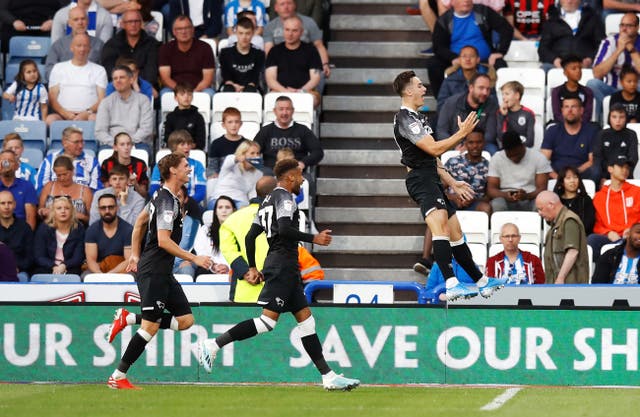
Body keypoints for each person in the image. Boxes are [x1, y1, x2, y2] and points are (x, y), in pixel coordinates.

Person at [197, 159, 360, 391]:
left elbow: (250, 236)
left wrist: (253, 266)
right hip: (283, 265)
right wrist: (314, 238)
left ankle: (328, 376)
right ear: (290, 177)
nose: (303, 180)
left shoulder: (265, 203)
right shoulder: (284, 197)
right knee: (266, 322)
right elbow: (284, 229)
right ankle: (213, 344)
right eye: (300, 175)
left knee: (307, 321)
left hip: (285, 268)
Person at [392, 70, 507, 301]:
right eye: (419, 85)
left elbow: (432, 158)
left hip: (431, 177)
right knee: (441, 229)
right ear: (408, 91)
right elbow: (435, 149)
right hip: (420, 180)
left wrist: (453, 182)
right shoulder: (405, 118)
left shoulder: (420, 118)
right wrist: (462, 133)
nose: (425, 89)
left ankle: (482, 282)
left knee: (456, 233)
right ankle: (452, 283)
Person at [105, 152, 214, 390]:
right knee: (151, 326)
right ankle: (118, 375)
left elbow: (140, 223)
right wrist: (195, 257)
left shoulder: (163, 197)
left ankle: (129, 317)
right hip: (154, 270)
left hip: (163, 272)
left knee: (186, 320)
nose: (189, 169)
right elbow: (164, 241)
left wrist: (135, 254)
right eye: (185, 165)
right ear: (173, 170)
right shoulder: (165, 200)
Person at [427, 0, 513, 97]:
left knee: (500, 64)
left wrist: (500, 52)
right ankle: (442, 102)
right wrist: (453, 58)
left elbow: (506, 28)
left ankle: (501, 103)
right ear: (452, 2)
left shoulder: (483, 12)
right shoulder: (444, 20)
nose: (466, 1)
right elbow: (438, 46)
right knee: (433, 64)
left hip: (484, 60)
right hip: (458, 60)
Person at [219, 176, 276, 302]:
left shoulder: (232, 219)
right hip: (275, 290)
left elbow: (228, 251)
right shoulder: (281, 218)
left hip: (243, 292)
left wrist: (246, 273)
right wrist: (263, 274)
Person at [46, 33, 108, 125]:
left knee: (96, 120)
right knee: (50, 120)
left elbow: (102, 99)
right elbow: (52, 98)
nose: (82, 49)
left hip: (89, 115)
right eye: (78, 45)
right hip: (63, 115)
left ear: (89, 49)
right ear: (72, 48)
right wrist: (66, 114)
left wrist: (87, 113)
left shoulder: (99, 70)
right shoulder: (58, 68)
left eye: (85, 46)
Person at [263, 0, 331, 81]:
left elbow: (319, 46)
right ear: (276, 8)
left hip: (306, 63)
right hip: (281, 66)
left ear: (295, 5)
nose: (286, 7)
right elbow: (269, 50)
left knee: (319, 73)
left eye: (289, 3)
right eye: (282, 4)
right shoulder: (269, 27)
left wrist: (325, 64)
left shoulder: (309, 22)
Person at [253, 95, 324, 173]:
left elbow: (318, 152)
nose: (284, 113)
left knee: (309, 182)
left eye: (288, 109)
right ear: (274, 111)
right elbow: (252, 152)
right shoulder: (266, 130)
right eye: (281, 109)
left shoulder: (303, 130)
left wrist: (303, 163)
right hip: (270, 172)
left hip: (295, 171)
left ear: (293, 111)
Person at [589, 156, 640, 261]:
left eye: (627, 167)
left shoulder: (637, 191)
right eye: (621, 166)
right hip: (611, 237)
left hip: (633, 236)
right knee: (592, 240)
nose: (625, 170)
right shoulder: (599, 196)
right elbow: (597, 224)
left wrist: (633, 230)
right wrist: (608, 233)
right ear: (610, 169)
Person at [588, 12, 640, 114]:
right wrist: (618, 51)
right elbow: (597, 73)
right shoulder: (609, 42)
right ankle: (601, 123)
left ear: (637, 27)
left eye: (629, 26)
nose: (624, 29)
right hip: (612, 89)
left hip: (637, 89)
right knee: (592, 84)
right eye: (622, 25)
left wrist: (632, 51)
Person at [265, 16, 323, 108]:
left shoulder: (311, 51)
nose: (290, 34)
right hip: (280, 92)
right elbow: (270, 79)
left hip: (305, 92)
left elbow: (315, 78)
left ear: (301, 32)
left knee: (312, 99)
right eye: (287, 30)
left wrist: (299, 91)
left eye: (294, 30)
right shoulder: (274, 51)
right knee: (270, 98)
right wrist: (286, 92)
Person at [487, 131, 551, 212]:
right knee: (497, 204)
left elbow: (542, 189)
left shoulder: (539, 158)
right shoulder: (496, 158)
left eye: (517, 154)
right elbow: (491, 190)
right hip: (505, 198)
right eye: (510, 156)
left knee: (539, 204)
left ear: (522, 146)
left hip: (530, 198)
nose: (514, 158)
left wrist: (526, 196)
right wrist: (506, 195)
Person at [95, 65, 154, 153]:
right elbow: (100, 131)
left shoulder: (143, 100)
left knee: (144, 152)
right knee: (103, 153)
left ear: (131, 80)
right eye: (115, 78)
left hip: (137, 143)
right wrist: (116, 144)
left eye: (122, 77)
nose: (118, 80)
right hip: (111, 144)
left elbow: (146, 129)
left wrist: (128, 143)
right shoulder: (106, 102)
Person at [536, 190, 590, 284]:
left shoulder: (569, 220)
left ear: (551, 205)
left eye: (541, 209)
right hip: (558, 283)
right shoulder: (556, 223)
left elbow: (573, 251)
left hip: (569, 284)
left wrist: (560, 278)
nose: (539, 213)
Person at [100, 9, 160, 93]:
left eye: (136, 21)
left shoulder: (152, 44)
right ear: (123, 24)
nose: (133, 24)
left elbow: (151, 72)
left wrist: (137, 84)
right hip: (118, 88)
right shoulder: (112, 45)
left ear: (141, 24)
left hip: (145, 88)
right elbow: (110, 71)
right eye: (130, 22)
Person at [540, 95, 599, 180]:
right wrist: (559, 179)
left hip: (580, 173)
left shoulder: (591, 131)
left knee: (595, 171)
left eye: (574, 107)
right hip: (556, 174)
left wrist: (572, 175)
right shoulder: (552, 130)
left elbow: (591, 161)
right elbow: (543, 161)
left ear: (581, 110)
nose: (570, 110)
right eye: (566, 107)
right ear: (562, 111)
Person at [437, 73, 499, 154]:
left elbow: (490, 134)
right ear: (471, 87)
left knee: (493, 150)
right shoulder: (451, 102)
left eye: (488, 89)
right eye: (481, 88)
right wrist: (454, 145)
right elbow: (441, 130)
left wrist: (472, 145)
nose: (485, 92)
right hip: (455, 143)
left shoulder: (491, 104)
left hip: (482, 144)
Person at [537, 0, 605, 71]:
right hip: (557, 66)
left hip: (586, 66)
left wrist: (590, 59)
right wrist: (555, 60)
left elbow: (602, 44)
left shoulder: (592, 18)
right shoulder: (552, 20)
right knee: (544, 69)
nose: (569, 1)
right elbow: (543, 49)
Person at [158, 15, 215, 96]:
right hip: (175, 89)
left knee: (209, 94)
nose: (183, 32)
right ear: (174, 32)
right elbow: (165, 79)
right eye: (179, 29)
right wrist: (181, 92)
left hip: (199, 89)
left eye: (187, 28)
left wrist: (193, 93)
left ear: (193, 29)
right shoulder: (165, 49)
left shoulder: (205, 48)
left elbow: (207, 79)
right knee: (165, 94)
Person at [46, 6, 104, 80]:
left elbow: (104, 71)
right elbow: (49, 71)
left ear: (88, 21)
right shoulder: (58, 45)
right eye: (76, 20)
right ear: (69, 23)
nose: (80, 22)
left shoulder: (99, 44)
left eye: (83, 19)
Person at [36, 126, 102, 193]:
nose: (80, 146)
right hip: (55, 201)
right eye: (76, 142)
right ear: (64, 143)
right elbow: (41, 188)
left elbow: (96, 191)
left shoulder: (92, 162)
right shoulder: (50, 160)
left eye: (82, 142)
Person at [33, 195, 86, 276]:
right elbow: (39, 256)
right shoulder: (44, 228)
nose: (63, 211)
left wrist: (64, 265)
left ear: (72, 211)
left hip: (71, 268)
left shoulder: (79, 229)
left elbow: (78, 256)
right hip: (46, 268)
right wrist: (53, 266)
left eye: (67, 208)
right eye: (59, 208)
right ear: (53, 211)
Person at [150, 130, 206, 204]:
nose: (187, 147)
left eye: (189, 144)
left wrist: (185, 202)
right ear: (174, 146)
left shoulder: (197, 165)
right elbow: (154, 190)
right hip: (165, 204)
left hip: (190, 204)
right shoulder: (160, 165)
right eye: (183, 144)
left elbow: (201, 192)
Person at [84, 193, 133, 275]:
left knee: (131, 276)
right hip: (99, 268)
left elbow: (129, 260)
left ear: (117, 208)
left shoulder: (128, 229)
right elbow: (91, 260)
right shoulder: (92, 230)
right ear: (98, 209)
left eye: (111, 207)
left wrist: (110, 274)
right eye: (103, 208)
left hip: (121, 269)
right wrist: (100, 275)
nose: (107, 211)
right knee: (85, 276)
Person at [442, 131, 491, 213]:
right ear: (465, 144)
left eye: (478, 142)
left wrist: (472, 199)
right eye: (471, 142)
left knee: (486, 208)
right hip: (452, 202)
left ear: (484, 143)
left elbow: (489, 195)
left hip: (475, 203)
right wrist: (454, 198)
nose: (475, 146)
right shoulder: (453, 162)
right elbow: (440, 189)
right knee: (440, 207)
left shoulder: (488, 166)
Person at [188, 196, 236, 277]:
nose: (224, 210)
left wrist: (228, 267)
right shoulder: (204, 230)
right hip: (209, 268)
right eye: (220, 207)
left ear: (234, 211)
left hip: (234, 269)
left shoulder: (240, 230)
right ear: (216, 212)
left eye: (227, 207)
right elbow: (201, 252)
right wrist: (213, 266)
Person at [38, 155, 93, 226]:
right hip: (50, 229)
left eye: (65, 174)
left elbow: (92, 219)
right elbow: (39, 212)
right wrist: (42, 211)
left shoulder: (85, 191)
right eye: (58, 175)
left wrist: (80, 216)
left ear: (72, 171)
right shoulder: (49, 187)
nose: (62, 178)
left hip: (77, 230)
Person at [592, 103, 638, 184]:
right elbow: (597, 158)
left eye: (621, 117)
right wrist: (602, 177)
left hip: (625, 175)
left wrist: (622, 173)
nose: (618, 121)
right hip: (604, 177)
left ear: (626, 118)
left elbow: (633, 158)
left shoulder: (631, 134)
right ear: (609, 118)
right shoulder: (602, 134)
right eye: (614, 117)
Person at [436, 45, 494, 110]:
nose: (468, 59)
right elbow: (442, 105)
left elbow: (493, 102)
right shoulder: (450, 79)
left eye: (471, 56)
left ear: (478, 59)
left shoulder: (488, 78)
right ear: (459, 60)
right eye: (464, 56)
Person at [209, 140, 263, 209]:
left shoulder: (258, 174)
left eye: (258, 153)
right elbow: (230, 160)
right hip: (219, 199)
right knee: (226, 208)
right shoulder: (232, 164)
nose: (256, 156)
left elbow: (252, 194)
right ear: (243, 154)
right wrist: (238, 158)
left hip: (241, 202)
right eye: (252, 153)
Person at [219, 17, 265, 94]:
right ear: (236, 33)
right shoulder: (225, 52)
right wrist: (234, 85)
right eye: (241, 33)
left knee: (250, 91)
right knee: (228, 90)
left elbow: (255, 77)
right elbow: (226, 76)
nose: (244, 37)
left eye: (247, 33)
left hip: (251, 87)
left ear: (253, 33)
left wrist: (245, 87)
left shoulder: (259, 53)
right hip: (230, 86)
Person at [100, 132, 149, 199]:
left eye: (128, 144)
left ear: (132, 146)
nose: (126, 147)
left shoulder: (140, 164)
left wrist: (135, 184)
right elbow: (105, 191)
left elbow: (144, 194)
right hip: (112, 200)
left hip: (134, 200)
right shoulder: (107, 164)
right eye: (122, 144)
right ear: (115, 147)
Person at [550, 54, 594, 124]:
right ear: (565, 72)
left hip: (582, 127)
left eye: (580, 68)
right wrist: (569, 125)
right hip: (562, 126)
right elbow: (557, 115)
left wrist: (576, 125)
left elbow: (587, 115)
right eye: (574, 69)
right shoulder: (556, 92)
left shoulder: (587, 92)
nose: (578, 71)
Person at [0, 191, 33, 282]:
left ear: (14, 204)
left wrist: (14, 267)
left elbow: (30, 257)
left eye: (9, 203)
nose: (6, 207)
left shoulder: (24, 228)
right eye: (2, 203)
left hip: (19, 272)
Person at [0, 150, 37, 230]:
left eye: (10, 161)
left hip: (20, 232)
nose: (6, 164)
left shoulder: (27, 186)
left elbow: (30, 217)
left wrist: (26, 237)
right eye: (3, 161)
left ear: (17, 166)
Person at [163, 82, 207, 150]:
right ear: (175, 98)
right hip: (174, 152)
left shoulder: (198, 117)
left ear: (192, 97)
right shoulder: (170, 117)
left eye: (189, 94)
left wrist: (187, 146)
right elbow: (167, 138)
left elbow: (201, 142)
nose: (186, 97)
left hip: (193, 151)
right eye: (182, 94)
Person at [553, 165, 596, 235]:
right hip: (561, 236)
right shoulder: (557, 201)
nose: (572, 181)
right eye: (568, 178)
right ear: (562, 182)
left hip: (582, 237)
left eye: (575, 177)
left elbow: (589, 222)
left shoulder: (585, 199)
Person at [207, 107, 246, 178]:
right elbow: (211, 169)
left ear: (241, 124)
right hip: (222, 182)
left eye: (236, 122)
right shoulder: (216, 144)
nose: (233, 125)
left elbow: (251, 167)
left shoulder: (247, 144)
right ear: (223, 125)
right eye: (230, 122)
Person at [496, 80, 535, 148]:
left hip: (523, 150)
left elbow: (530, 142)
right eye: (502, 94)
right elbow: (500, 137)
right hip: (506, 150)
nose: (503, 97)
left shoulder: (528, 114)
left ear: (517, 95)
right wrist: (503, 116)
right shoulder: (500, 113)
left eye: (507, 94)